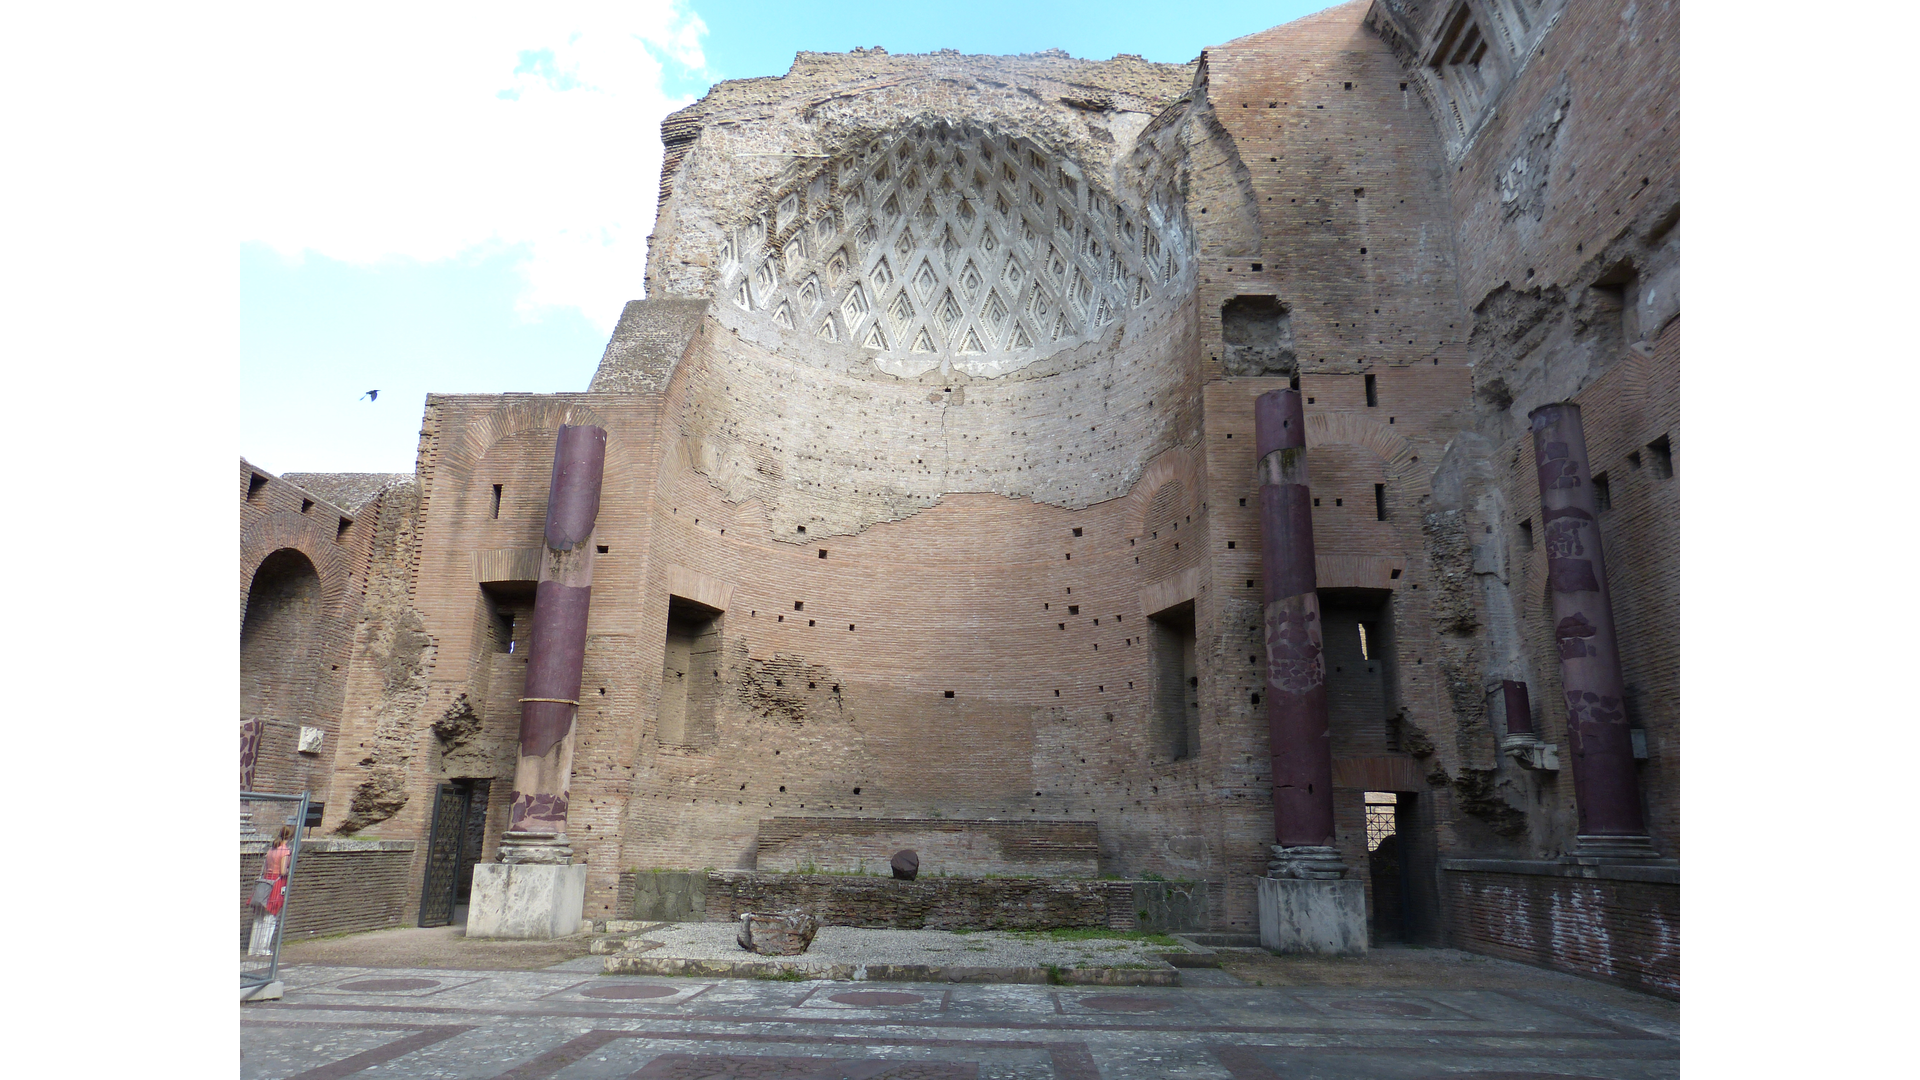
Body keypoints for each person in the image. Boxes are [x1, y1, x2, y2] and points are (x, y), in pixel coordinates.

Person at [248, 825, 294, 957]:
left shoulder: (271, 850)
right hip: (277, 883)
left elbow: (265, 868)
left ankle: (254, 947)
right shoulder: (285, 851)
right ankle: (263, 948)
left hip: (266, 880)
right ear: (291, 837)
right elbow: (283, 870)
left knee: (260, 916)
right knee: (271, 917)